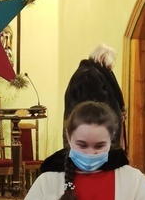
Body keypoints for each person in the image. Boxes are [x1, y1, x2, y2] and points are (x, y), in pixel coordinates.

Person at [41, 43, 127, 175]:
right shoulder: (89, 76)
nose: (111, 66)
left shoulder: (94, 73)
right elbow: (95, 110)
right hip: (89, 133)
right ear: (104, 58)